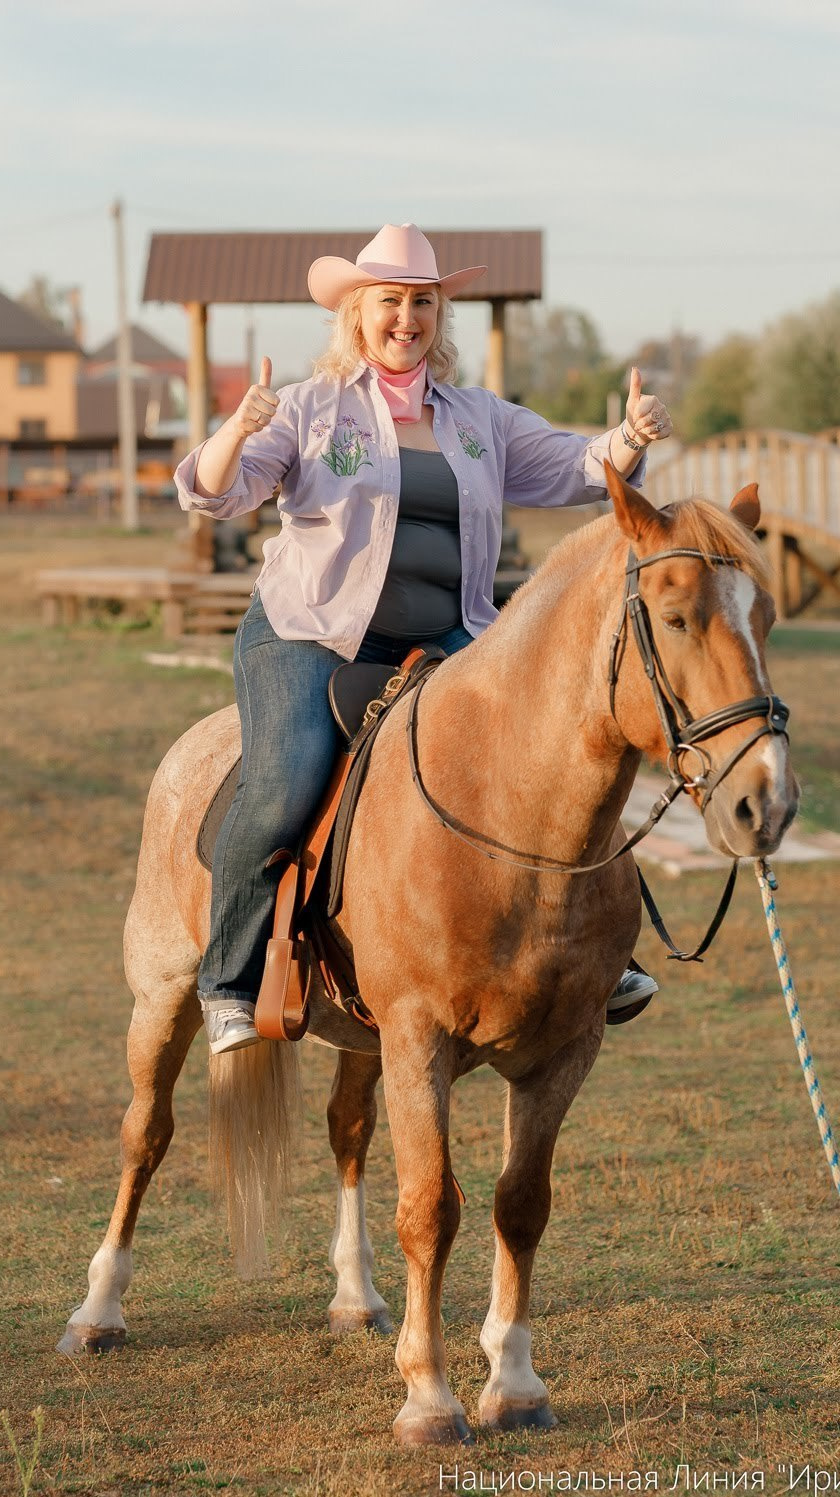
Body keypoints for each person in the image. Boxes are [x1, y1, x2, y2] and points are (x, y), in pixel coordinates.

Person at [174, 224, 673, 1055]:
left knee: (555, 756)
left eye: (422, 303)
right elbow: (215, 494)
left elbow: (576, 466)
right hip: (315, 635)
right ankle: (229, 980)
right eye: (390, 303)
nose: (406, 318)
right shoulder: (306, 408)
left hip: (448, 637)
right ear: (357, 314)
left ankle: (599, 949)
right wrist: (234, 430)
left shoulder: (480, 419)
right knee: (287, 780)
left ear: (439, 315)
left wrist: (629, 439)